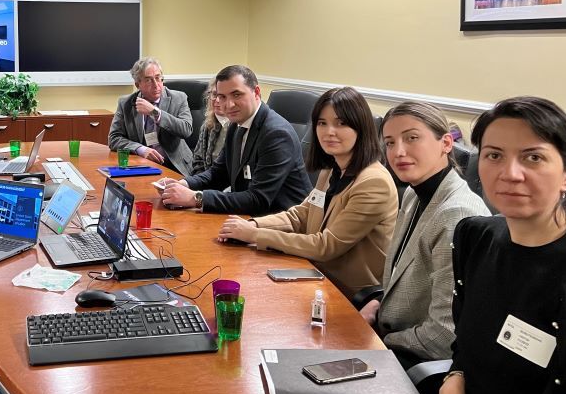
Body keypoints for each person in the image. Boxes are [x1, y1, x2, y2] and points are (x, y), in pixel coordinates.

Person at [435, 97, 566, 394]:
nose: (510, 174)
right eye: (494, 155)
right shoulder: (473, 236)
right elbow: (464, 344)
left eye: (533, 157)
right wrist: (452, 382)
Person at [215, 86, 397, 297]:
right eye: (322, 123)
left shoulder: (374, 182)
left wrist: (255, 235)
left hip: (346, 294)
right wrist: (252, 224)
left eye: (341, 123)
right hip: (313, 274)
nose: (329, 132)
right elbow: (301, 215)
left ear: (361, 128)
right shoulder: (331, 169)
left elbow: (326, 246)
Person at [362, 102, 489, 365]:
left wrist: (377, 341)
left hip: (414, 359)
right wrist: (377, 304)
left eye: (412, 138)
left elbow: (443, 336)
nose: (398, 151)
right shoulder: (413, 192)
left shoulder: (457, 214)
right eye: (389, 142)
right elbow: (404, 276)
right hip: (392, 334)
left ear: (445, 143)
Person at [161, 65, 311, 216]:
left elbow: (258, 200)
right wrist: (184, 184)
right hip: (248, 218)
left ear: (256, 92)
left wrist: (196, 198)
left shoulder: (276, 134)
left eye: (236, 95)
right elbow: (218, 173)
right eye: (222, 97)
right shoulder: (235, 126)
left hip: (284, 225)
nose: (229, 105)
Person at [108, 57, 194, 176]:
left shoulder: (179, 98)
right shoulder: (126, 103)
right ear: (138, 84)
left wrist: (155, 112)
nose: (156, 85)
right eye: (148, 80)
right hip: (142, 165)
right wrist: (141, 149)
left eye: (158, 78)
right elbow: (114, 138)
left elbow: (186, 130)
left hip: (175, 166)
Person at [192, 77, 229, 174]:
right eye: (214, 94)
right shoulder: (207, 126)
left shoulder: (239, 127)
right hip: (207, 182)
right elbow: (198, 161)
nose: (217, 100)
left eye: (222, 96)